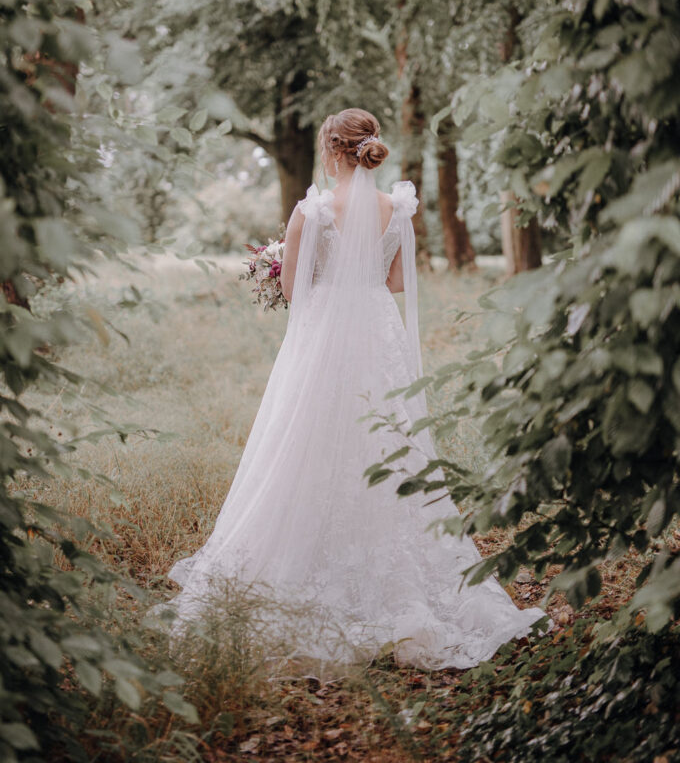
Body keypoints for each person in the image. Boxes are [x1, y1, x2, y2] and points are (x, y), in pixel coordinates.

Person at [149, 108, 549, 673]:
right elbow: (394, 282)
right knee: (388, 442)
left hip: (322, 338)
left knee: (307, 440)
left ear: (332, 151)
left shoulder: (312, 210)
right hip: (377, 331)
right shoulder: (397, 208)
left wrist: (280, 266)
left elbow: (294, 291)